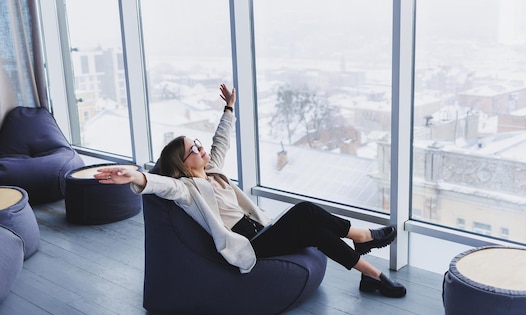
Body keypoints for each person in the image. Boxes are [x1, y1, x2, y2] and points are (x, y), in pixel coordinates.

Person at [94, 83, 406, 298]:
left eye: (198, 144)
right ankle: (362, 237)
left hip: (263, 232)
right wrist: (135, 176)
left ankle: (371, 275)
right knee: (305, 211)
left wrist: (229, 107)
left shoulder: (212, 169)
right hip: (249, 246)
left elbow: (220, 141)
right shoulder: (187, 188)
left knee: (317, 233)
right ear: (183, 164)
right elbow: (162, 185)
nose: (202, 148)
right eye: (193, 149)